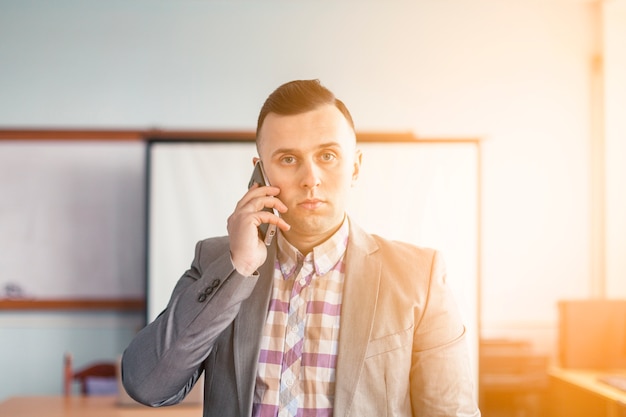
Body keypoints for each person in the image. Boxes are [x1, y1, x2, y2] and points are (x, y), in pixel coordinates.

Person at [121, 79, 480, 417]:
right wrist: (240, 266)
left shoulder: (420, 277)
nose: (311, 178)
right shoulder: (218, 262)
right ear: (261, 174)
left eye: (327, 156)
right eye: (289, 159)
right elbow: (148, 385)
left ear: (354, 168)